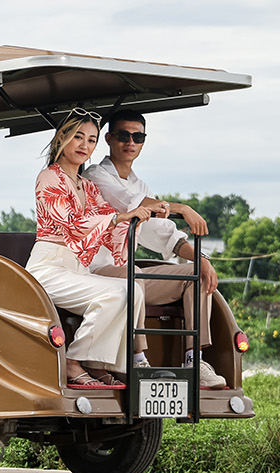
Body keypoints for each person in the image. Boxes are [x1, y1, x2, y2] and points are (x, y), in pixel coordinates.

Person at [83, 109, 226, 389]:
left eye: (138, 137)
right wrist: (182, 208)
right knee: (132, 278)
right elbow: (130, 203)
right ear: (109, 138)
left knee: (193, 277)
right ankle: (138, 360)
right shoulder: (95, 176)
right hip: (96, 272)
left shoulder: (139, 184)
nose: (130, 142)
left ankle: (194, 360)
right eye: (123, 135)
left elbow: (164, 235)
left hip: (129, 271)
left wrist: (203, 260)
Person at [26, 109, 162, 388]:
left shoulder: (87, 185)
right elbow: (71, 222)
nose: (84, 146)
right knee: (112, 295)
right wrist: (119, 217)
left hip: (76, 268)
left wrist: (133, 217)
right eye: (77, 137)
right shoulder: (49, 177)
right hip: (48, 267)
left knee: (132, 289)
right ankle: (73, 360)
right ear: (62, 138)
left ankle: (98, 363)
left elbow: (109, 220)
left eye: (91, 140)